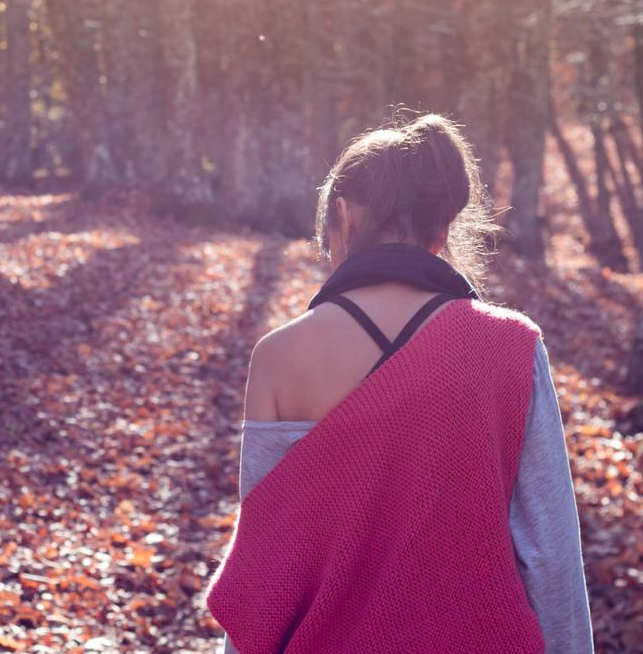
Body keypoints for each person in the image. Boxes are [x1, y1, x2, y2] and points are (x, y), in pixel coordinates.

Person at [204, 115, 592, 653]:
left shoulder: (280, 357)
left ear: (341, 212)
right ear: (442, 227)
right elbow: (551, 559)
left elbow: (266, 573)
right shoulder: (512, 348)